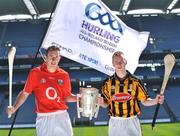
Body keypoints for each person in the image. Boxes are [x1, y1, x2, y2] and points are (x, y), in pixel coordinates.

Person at [6, 45, 77, 136]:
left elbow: (66, 96)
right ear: (45, 57)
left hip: (62, 116)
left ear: (59, 58)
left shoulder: (64, 75)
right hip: (44, 117)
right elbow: (25, 93)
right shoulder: (35, 73)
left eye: (56, 57)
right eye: (51, 57)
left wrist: (78, 98)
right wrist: (14, 108)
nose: (54, 60)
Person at [98, 51, 164, 136]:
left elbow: (144, 100)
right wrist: (100, 102)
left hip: (132, 121)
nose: (119, 64)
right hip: (115, 122)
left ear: (125, 62)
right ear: (113, 64)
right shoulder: (107, 83)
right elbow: (105, 103)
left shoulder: (136, 81)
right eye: (116, 62)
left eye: (121, 61)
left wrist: (155, 100)